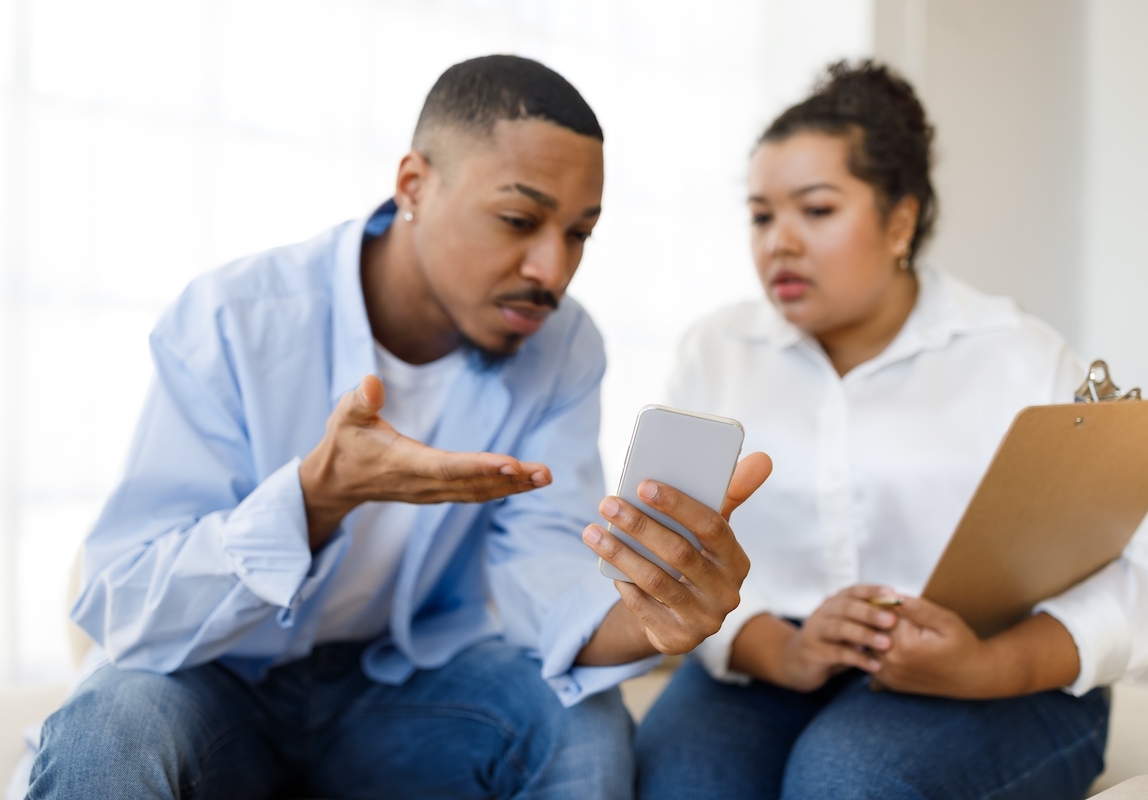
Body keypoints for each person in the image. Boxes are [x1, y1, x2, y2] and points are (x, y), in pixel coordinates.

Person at [23, 55, 770, 800]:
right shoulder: (236, 318)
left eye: (580, 233)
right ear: (414, 184)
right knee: (107, 728)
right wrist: (314, 501)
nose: (553, 269)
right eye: (519, 220)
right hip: (210, 680)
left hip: (403, 695)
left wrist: (654, 618)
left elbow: (542, 575)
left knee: (578, 724)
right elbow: (124, 605)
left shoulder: (564, 346)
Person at [634, 60, 1148, 800]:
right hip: (774, 657)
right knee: (681, 782)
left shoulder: (1016, 354)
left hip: (999, 664)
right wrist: (784, 651)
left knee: (849, 780)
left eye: (817, 210)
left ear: (900, 220)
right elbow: (669, 544)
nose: (780, 243)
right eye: (762, 216)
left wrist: (990, 665)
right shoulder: (716, 350)